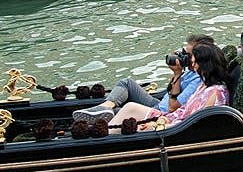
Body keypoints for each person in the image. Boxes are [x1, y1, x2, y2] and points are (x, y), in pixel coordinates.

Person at [72, 35, 217, 124]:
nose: (185, 57)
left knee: (121, 111)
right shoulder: (191, 71)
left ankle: (104, 114)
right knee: (126, 83)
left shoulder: (198, 79)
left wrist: (177, 73)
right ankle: (104, 107)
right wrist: (178, 71)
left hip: (163, 111)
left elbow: (173, 107)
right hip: (159, 103)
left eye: (189, 55)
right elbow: (170, 92)